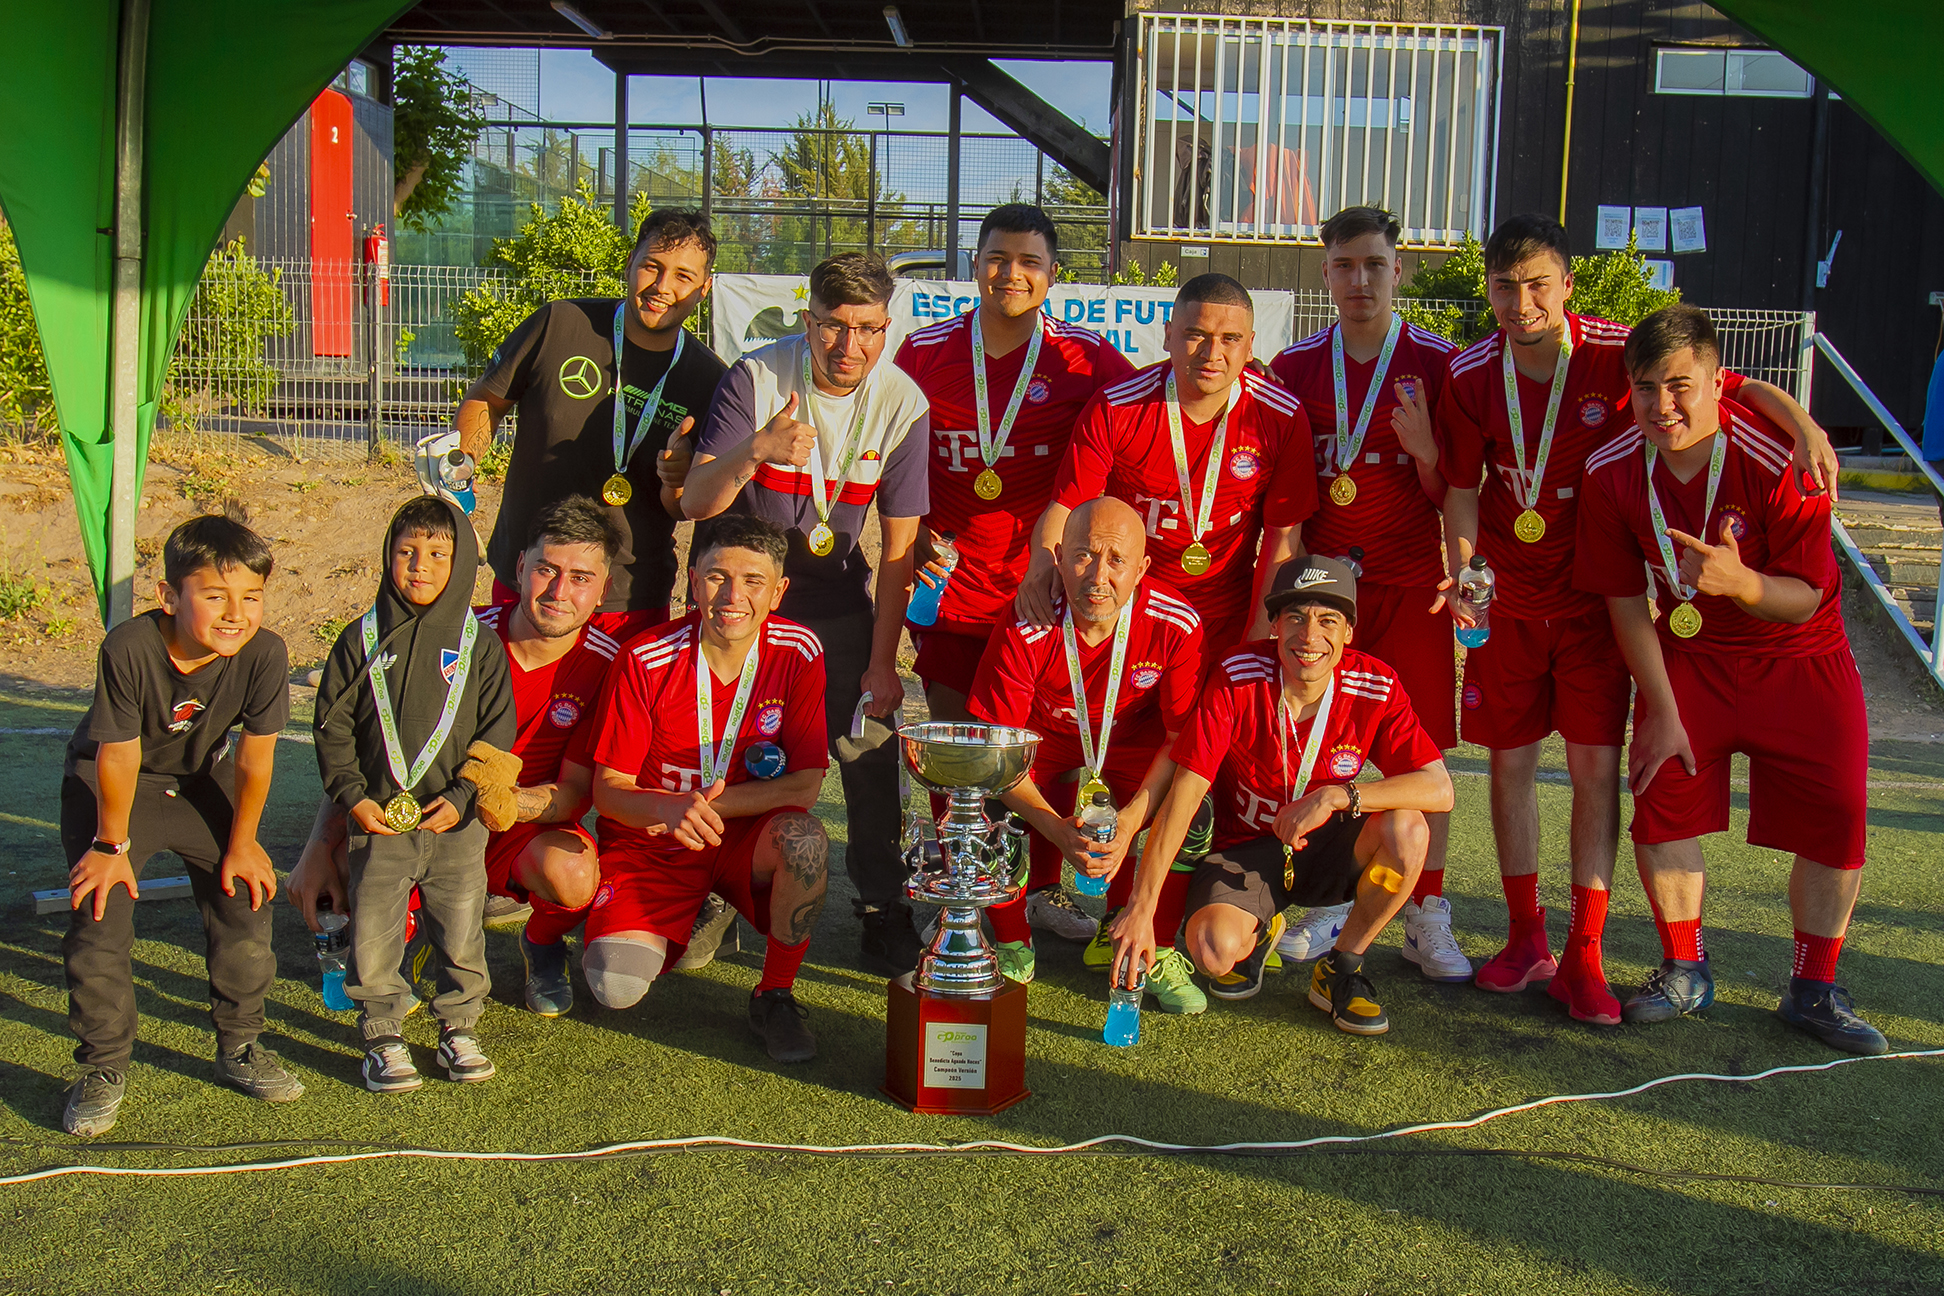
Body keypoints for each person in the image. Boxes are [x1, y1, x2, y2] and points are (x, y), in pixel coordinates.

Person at [1439, 213, 1838, 1022]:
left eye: (1538, 284)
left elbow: (1727, 387)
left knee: (1593, 773)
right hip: (1509, 604)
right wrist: (1467, 571)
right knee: (1510, 768)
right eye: (1505, 287)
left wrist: (1803, 422)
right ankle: (1525, 937)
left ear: (1567, 285)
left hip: (1595, 606)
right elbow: (1460, 488)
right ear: (1488, 290)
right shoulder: (1469, 371)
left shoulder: (1620, 355)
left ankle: (1584, 954)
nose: (1522, 303)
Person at [1575, 304, 1885, 1054]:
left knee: (1837, 814)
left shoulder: (1783, 458)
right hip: (1693, 657)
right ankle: (1685, 967)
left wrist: (1742, 584)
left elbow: (1807, 593)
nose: (1663, 405)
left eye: (1680, 385)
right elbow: (1625, 603)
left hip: (1800, 656)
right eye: (1645, 388)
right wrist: (1660, 707)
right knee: (1661, 796)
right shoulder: (1610, 469)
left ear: (1719, 383)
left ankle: (1814, 987)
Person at [286, 496, 722, 1020]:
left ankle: (541, 943)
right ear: (519, 567)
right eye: (546, 570)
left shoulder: (609, 666)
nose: (559, 592)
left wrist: (499, 802)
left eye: (581, 578)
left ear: (604, 589)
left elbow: (573, 795)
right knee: (340, 887)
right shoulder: (453, 636)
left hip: (516, 828)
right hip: (422, 815)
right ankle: (416, 924)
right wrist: (318, 846)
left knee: (573, 873)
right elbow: (371, 750)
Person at [683, 251, 930, 978]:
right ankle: (716, 889)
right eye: (832, 326)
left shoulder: (902, 401)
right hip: (742, 607)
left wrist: (883, 663)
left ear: (886, 327)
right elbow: (696, 501)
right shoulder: (757, 377)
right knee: (726, 744)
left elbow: (899, 552)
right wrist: (758, 449)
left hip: (837, 605)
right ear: (807, 318)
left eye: (867, 329)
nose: (849, 346)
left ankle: (882, 906)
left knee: (870, 748)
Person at [896, 204, 1137, 944]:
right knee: (957, 749)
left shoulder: (1086, 359)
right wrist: (914, 531)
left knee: (1043, 748)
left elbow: (1143, 414)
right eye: (998, 257)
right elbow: (887, 451)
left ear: (1052, 274)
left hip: (1046, 594)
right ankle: (961, 892)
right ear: (974, 264)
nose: (1012, 273)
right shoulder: (924, 351)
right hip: (951, 586)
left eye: (1030, 261)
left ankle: (1038, 890)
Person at [1110, 557, 1453, 1035]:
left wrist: (1337, 796)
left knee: (1408, 829)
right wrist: (1141, 907)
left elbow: (1439, 787)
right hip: (1246, 851)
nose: (1309, 636)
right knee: (1211, 952)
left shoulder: (1375, 684)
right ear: (1274, 625)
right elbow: (1185, 794)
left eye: (1327, 620)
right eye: (1295, 617)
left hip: (1330, 847)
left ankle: (1342, 967)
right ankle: (1261, 927)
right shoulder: (1238, 674)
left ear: (1349, 632)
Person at [1268, 206, 1468, 983]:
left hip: (1413, 588)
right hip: (1328, 599)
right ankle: (1327, 898)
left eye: (1374, 265)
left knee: (1424, 753)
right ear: (1326, 273)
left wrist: (1426, 457)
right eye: (1345, 266)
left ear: (1398, 271)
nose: (1360, 280)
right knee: (1320, 743)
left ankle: (1427, 911)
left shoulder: (1440, 363)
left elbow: (1460, 491)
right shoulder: (1294, 367)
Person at [58, 509, 297, 1137]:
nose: (236, 613)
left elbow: (255, 757)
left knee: (246, 895)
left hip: (198, 784)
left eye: (251, 596)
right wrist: (110, 845)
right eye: (215, 595)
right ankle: (103, 1066)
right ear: (169, 596)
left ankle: (240, 1044)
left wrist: (243, 844)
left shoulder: (265, 653)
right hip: (112, 786)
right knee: (99, 911)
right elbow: (117, 754)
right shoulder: (130, 646)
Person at [585, 515, 833, 1063]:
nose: (733, 596)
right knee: (614, 985)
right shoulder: (644, 657)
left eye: (752, 581)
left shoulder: (798, 651)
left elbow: (806, 784)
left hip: (744, 838)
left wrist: (702, 806)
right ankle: (684, 910)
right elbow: (609, 791)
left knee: (805, 841)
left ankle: (775, 993)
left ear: (778, 592)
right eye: (718, 577)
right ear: (694, 581)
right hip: (655, 841)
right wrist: (670, 809)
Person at [964, 498, 1205, 1008]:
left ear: (1142, 568)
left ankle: (1150, 940)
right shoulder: (1027, 619)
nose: (1098, 576)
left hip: (1132, 745)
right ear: (1057, 558)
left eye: (1116, 560)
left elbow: (1178, 740)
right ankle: (1011, 938)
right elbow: (1000, 746)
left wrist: (1132, 820)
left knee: (1195, 806)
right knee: (978, 792)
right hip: (1044, 743)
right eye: (1083, 556)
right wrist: (1055, 828)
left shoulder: (1175, 623)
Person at [313, 496, 516, 1093]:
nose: (419, 566)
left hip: (455, 823)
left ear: (463, 562)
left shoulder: (480, 645)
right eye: (407, 551)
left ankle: (458, 1026)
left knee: (460, 929)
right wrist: (353, 796)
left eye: (437, 554)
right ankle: (382, 1034)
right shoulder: (360, 638)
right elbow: (331, 727)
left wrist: (464, 794)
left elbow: (497, 732)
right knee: (374, 930)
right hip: (378, 821)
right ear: (388, 556)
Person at [1025, 273, 1318, 661]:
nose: (1212, 353)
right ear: (1168, 336)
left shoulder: (1282, 414)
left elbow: (1283, 538)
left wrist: (1258, 633)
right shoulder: (1116, 406)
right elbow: (1067, 507)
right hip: (1133, 612)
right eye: (1196, 335)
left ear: (1250, 347)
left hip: (1229, 617)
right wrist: (1042, 564)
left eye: (1230, 339)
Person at [455, 207, 726, 619]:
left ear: (703, 289)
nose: (662, 286)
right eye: (651, 266)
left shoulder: (709, 379)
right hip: (529, 578)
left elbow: (683, 508)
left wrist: (677, 482)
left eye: (683, 276)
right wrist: (461, 465)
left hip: (629, 600)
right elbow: (488, 400)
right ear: (630, 263)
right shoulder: (560, 323)